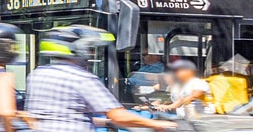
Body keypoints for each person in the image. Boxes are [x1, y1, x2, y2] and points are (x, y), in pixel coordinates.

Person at [23, 26, 174, 132]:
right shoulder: (81, 78)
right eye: (88, 49)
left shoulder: (37, 75)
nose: (90, 54)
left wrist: (105, 121)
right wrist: (155, 124)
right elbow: (118, 116)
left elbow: (60, 115)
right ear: (75, 49)